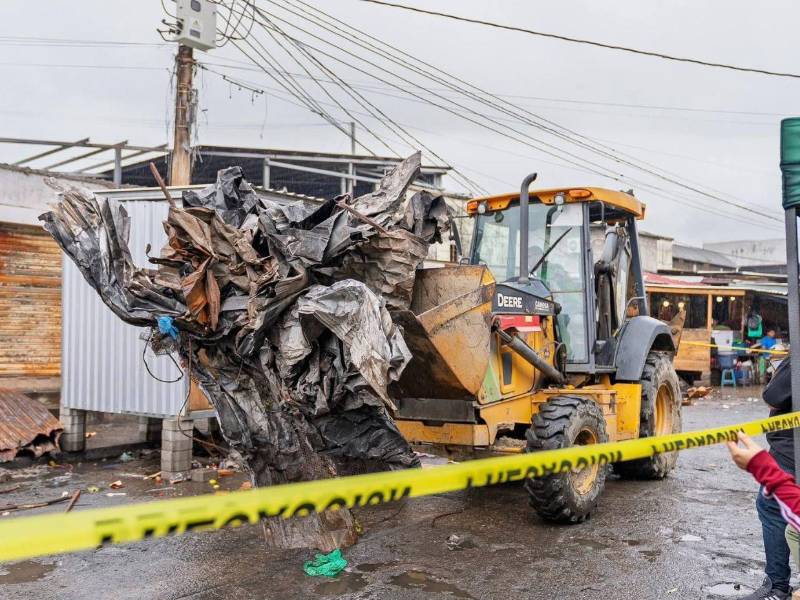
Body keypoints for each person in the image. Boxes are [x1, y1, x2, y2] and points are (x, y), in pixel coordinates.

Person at [736, 359, 794, 599]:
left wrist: (781, 368)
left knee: (771, 506)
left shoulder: (798, 358)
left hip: (790, 452)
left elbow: (773, 396)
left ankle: (777, 585)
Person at [728, 431, 800, 599]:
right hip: (790, 449)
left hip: (789, 449)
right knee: (791, 529)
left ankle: (777, 586)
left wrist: (760, 465)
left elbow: (777, 402)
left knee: (773, 510)